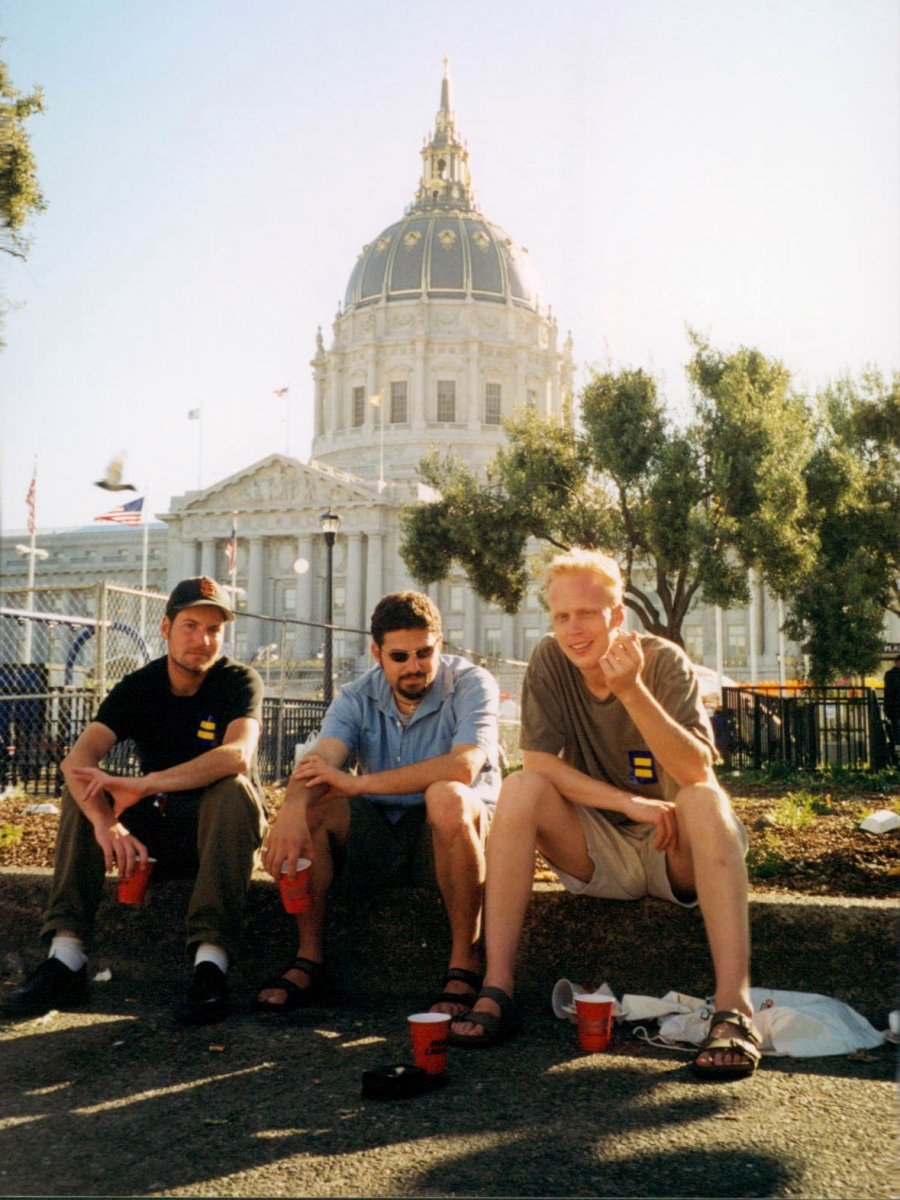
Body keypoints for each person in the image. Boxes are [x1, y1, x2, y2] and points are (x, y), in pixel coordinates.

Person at [449, 549, 761, 1079]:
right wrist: (623, 800)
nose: (574, 630)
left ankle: (734, 1008)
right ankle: (497, 986)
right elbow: (542, 761)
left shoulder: (662, 662)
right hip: (601, 851)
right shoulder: (551, 660)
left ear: (617, 615)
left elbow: (695, 770)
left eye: (588, 613)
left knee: (706, 800)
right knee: (523, 788)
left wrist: (630, 689)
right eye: (562, 616)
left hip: (674, 851)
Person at [3, 576, 266, 1025]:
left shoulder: (238, 681)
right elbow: (76, 761)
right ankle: (66, 958)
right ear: (165, 628)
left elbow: (238, 755)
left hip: (218, 833)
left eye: (213, 629)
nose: (202, 640)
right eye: (190, 626)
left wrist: (145, 784)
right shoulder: (140, 685)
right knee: (84, 786)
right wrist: (107, 824)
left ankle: (210, 964)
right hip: (155, 835)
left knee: (232, 789)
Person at [256, 591, 500, 1015]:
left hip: (449, 835)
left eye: (425, 652)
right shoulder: (356, 696)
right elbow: (323, 760)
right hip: (379, 833)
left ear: (440, 644)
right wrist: (291, 813)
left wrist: (358, 783)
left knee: (448, 796)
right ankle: (308, 957)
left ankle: (465, 960)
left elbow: (463, 766)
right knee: (315, 806)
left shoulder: (472, 683)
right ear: (377, 653)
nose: (414, 666)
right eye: (400, 655)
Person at [883, 655, 900, 748]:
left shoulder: (890, 674)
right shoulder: (891, 674)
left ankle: (897, 750)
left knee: (896, 731)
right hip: (895, 708)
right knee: (896, 731)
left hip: (894, 708)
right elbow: (890, 691)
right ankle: (897, 750)